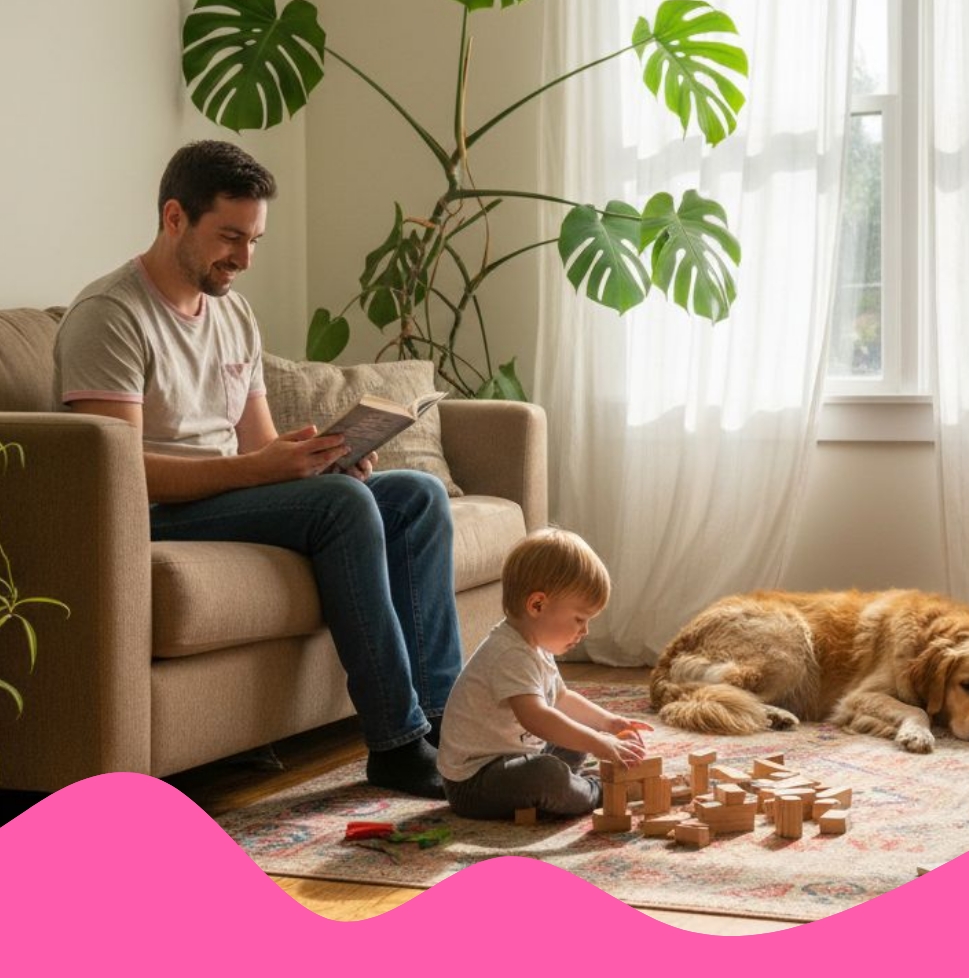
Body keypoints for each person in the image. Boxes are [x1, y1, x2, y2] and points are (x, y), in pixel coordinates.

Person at [53, 140, 461, 799]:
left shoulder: (233, 312)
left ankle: (451, 722)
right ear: (175, 217)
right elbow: (118, 479)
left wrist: (326, 458)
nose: (243, 259)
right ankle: (396, 742)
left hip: (225, 499)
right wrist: (274, 473)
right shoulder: (111, 317)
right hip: (155, 515)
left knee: (413, 495)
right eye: (229, 237)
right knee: (342, 507)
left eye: (254, 241)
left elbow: (260, 444)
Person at [438, 528, 651, 819]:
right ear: (537, 605)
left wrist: (607, 723)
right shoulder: (509, 653)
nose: (585, 631)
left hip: (513, 758)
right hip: (474, 782)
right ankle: (596, 791)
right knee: (547, 774)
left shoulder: (535, 645)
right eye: (579, 619)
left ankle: (564, 787)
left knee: (573, 739)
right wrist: (598, 742)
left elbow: (561, 697)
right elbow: (536, 718)